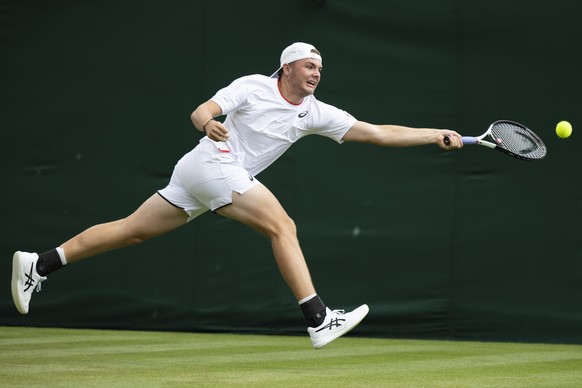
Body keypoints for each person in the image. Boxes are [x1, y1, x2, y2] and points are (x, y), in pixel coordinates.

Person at [11, 42, 463, 349]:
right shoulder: (253, 86)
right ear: (287, 66)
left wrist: (434, 135)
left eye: (320, 70)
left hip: (200, 173)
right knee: (282, 226)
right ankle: (319, 318)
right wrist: (208, 122)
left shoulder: (315, 112)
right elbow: (203, 109)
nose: (316, 74)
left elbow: (378, 133)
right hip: (210, 162)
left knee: (131, 232)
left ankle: (40, 263)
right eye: (309, 66)